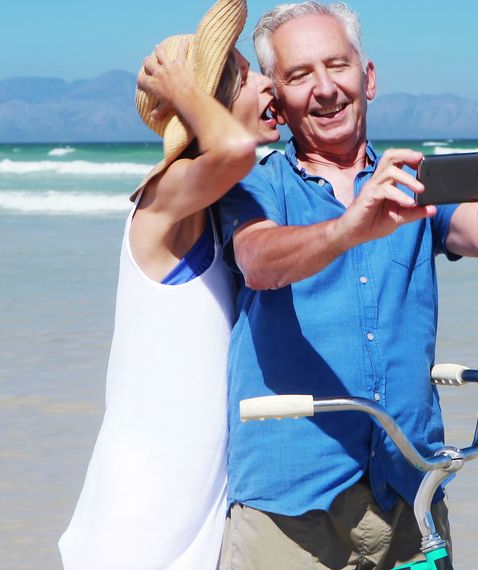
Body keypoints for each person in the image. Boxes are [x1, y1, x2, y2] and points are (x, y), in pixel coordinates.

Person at [215, 2, 478, 568]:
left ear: (368, 77)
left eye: (338, 66)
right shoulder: (255, 184)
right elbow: (258, 260)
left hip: (411, 494)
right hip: (289, 507)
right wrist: (350, 227)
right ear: (275, 98)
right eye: (301, 75)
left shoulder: (413, 182)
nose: (326, 89)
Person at [58, 0, 279, 567]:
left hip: (192, 513)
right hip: (141, 521)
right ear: (216, 101)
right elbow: (235, 150)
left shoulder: (215, 209)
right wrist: (186, 89)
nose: (271, 85)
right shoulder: (164, 199)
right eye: (252, 76)